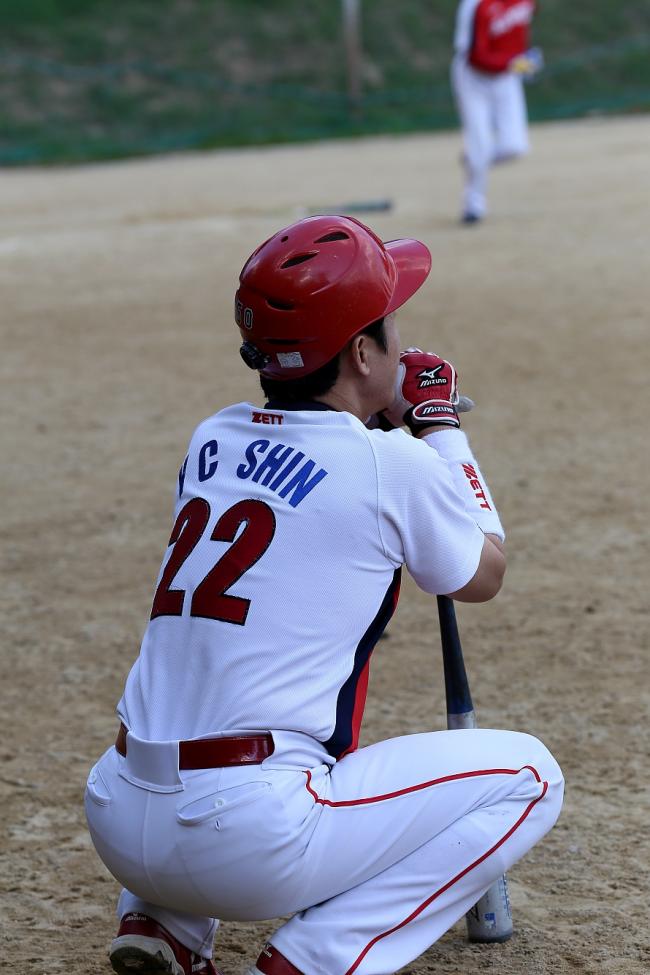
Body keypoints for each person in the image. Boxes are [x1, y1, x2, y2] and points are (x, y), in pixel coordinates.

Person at [85, 214, 564, 975]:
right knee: (532, 776)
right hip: (248, 837)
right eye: (390, 326)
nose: (402, 340)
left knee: (212, 687)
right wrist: (439, 429)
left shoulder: (211, 438)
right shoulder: (387, 465)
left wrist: (380, 422)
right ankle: (311, 960)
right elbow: (484, 573)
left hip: (117, 813)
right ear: (362, 352)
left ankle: (162, 921)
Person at [451, 0, 542, 224]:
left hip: (505, 77)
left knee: (515, 147)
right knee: (479, 142)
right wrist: (514, 63)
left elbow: (518, 31)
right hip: (472, 77)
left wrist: (524, 58)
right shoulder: (476, 5)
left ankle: (475, 160)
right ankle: (473, 205)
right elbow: (476, 56)